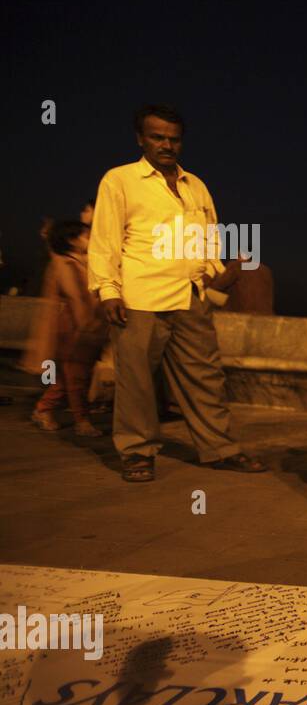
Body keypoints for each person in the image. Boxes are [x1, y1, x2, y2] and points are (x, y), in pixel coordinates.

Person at [88, 103, 268, 483]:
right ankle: (137, 452)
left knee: (205, 376)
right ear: (141, 139)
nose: (166, 145)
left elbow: (208, 235)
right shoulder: (119, 181)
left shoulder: (195, 185)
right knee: (136, 380)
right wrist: (108, 290)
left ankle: (220, 448)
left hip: (190, 295)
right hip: (140, 297)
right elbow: (104, 240)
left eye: (173, 138)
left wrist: (211, 276)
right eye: (157, 137)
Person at [22, 220, 109, 436]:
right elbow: (76, 296)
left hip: (85, 327)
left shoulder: (82, 261)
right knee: (76, 376)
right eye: (85, 236)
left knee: (69, 376)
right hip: (73, 329)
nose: (90, 239)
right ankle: (81, 421)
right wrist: (86, 325)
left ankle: (44, 409)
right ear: (71, 240)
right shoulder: (65, 263)